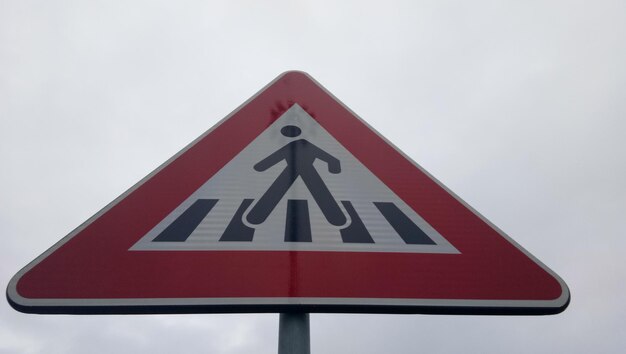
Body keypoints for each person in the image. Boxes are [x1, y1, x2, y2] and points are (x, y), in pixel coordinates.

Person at [246, 125, 347, 227]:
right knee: (319, 192)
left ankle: (256, 216)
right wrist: (261, 166)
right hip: (296, 171)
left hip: (302, 171)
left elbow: (330, 159)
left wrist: (261, 167)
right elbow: (275, 157)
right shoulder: (294, 145)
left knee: (276, 190)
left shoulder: (303, 145)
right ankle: (337, 219)